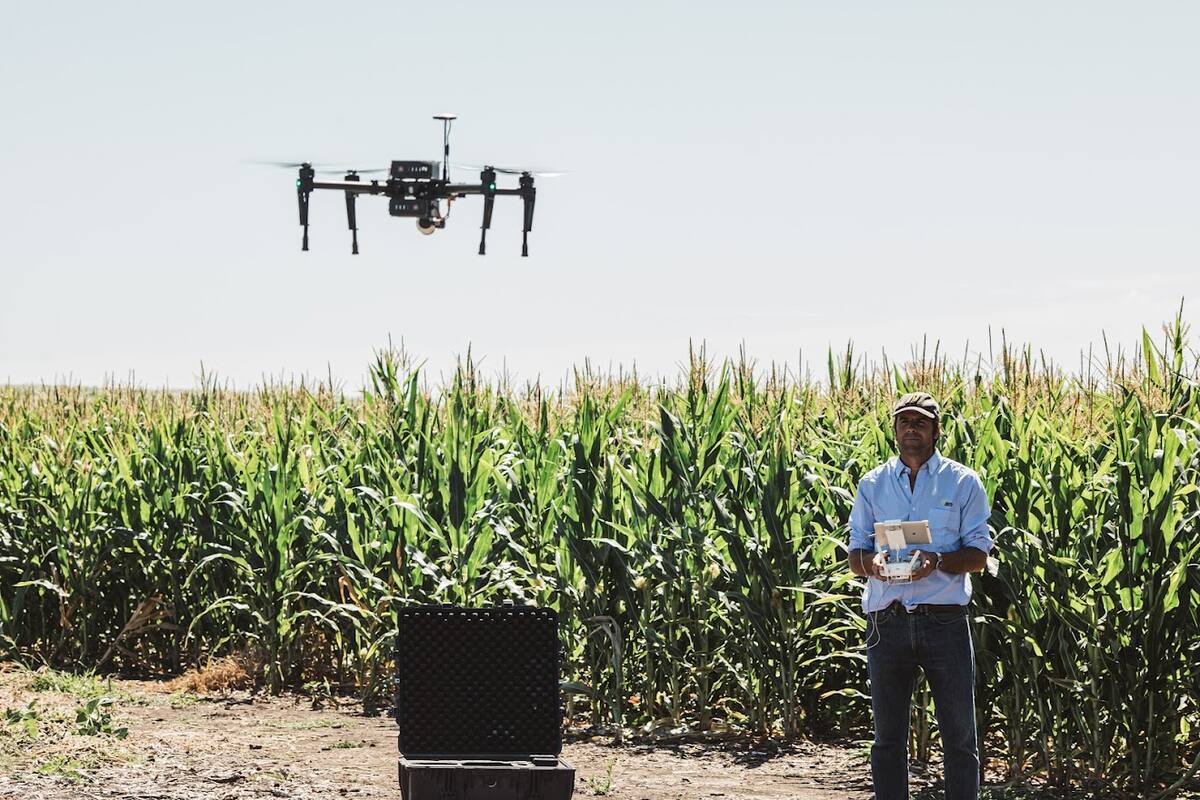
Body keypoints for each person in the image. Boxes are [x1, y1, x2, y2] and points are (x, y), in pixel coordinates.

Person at [846, 391, 993, 800]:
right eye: (904, 422)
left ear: (936, 431)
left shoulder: (962, 482)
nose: (911, 428)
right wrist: (870, 563)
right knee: (887, 741)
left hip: (943, 621)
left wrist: (938, 561)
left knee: (960, 740)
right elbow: (854, 553)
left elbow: (979, 554)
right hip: (887, 622)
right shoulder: (872, 484)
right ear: (894, 430)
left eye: (920, 422)